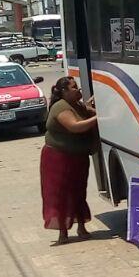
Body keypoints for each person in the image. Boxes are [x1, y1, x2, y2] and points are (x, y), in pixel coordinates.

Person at [41, 76, 98, 244]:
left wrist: (94, 108)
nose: (78, 89)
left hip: (78, 157)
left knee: (79, 191)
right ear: (64, 91)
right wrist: (99, 118)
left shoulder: (78, 105)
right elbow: (74, 126)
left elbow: (88, 113)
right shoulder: (60, 107)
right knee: (60, 194)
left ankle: (81, 226)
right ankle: (63, 232)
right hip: (59, 158)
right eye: (74, 87)